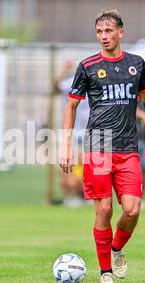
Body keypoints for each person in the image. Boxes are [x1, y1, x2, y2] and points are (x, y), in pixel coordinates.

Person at [60, 9, 145, 283]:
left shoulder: (136, 64)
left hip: (128, 147)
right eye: (99, 32)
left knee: (132, 210)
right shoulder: (88, 66)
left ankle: (116, 248)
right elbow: (71, 105)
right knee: (104, 210)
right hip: (98, 145)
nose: (104, 37)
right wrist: (66, 144)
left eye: (108, 31)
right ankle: (105, 271)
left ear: (120, 33)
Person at [55, 60, 89, 208]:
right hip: (70, 130)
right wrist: (64, 68)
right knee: (66, 165)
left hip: (87, 131)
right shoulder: (70, 83)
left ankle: (80, 196)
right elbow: (56, 86)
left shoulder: (93, 84)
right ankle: (70, 196)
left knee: (82, 166)